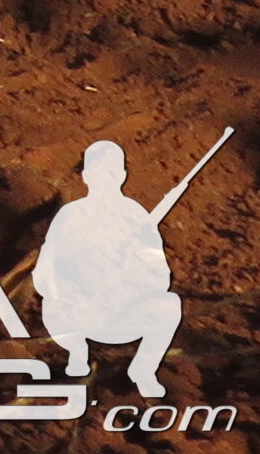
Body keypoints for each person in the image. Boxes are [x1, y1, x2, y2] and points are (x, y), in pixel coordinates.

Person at [34, 138, 186, 398]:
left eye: (112, 171)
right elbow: (44, 273)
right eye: (98, 171)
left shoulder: (135, 216)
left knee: (169, 304)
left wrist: (130, 270)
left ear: (122, 175)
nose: (105, 178)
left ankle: (143, 369)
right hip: (78, 312)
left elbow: (159, 275)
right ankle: (77, 355)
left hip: (120, 309)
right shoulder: (71, 215)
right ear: (86, 176)